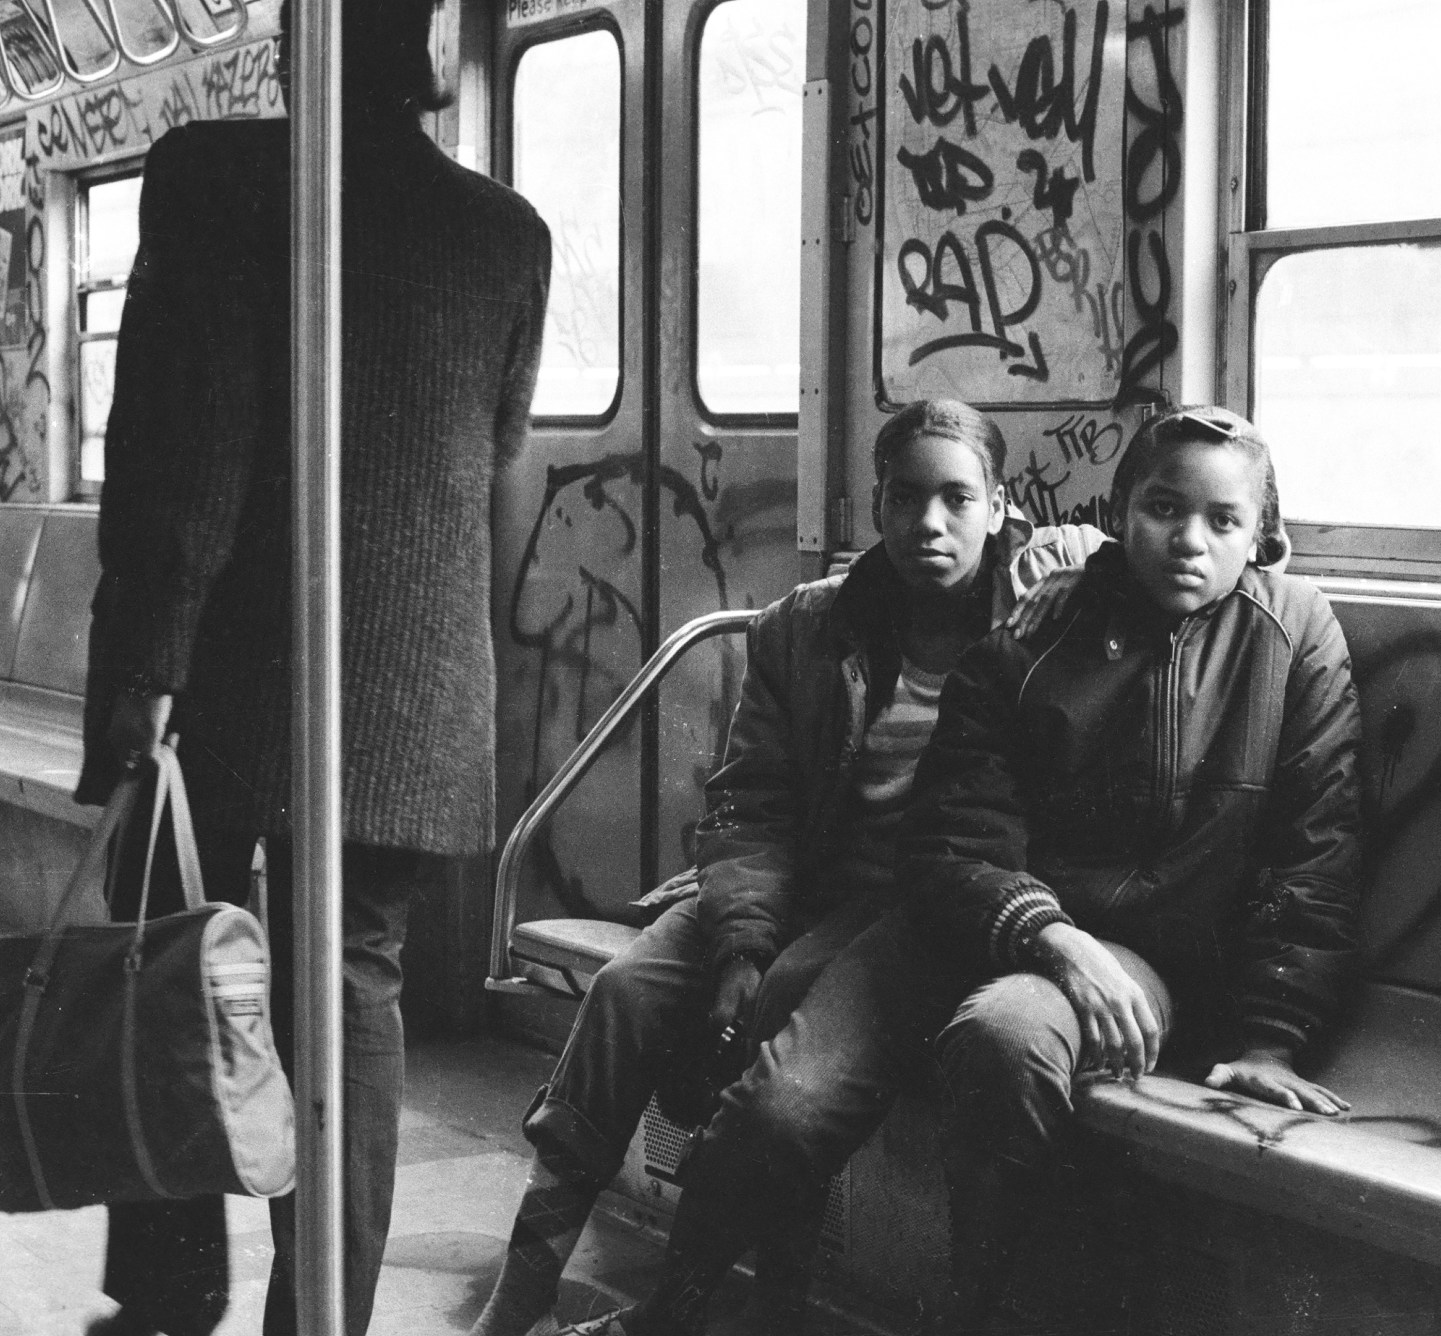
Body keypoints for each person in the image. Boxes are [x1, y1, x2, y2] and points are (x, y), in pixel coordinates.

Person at [607, 404, 1363, 1336]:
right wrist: (1050, 935)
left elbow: (1314, 849)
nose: (1190, 543)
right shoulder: (1034, 631)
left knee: (1005, 1039)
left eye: (1224, 522)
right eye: (1164, 510)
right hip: (987, 923)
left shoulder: (1292, 639)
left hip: (1137, 950)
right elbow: (954, 836)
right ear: (1121, 512)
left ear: (1263, 535)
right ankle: (670, 1318)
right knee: (782, 1106)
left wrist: (1269, 1039)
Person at [74, 0, 552, 1331]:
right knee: (353, 989)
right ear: (433, 54)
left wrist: (148, 666)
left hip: (228, 669)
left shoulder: (218, 179)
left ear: (302, 41)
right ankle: (320, 1314)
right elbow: (496, 445)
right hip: (412, 687)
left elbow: (196, 449)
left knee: (170, 959)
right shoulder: (509, 236)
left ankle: (171, 1287)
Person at [474, 400, 1102, 1336]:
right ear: (875, 507)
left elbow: (1160, 542)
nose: (929, 524)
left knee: (787, 1031)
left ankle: (762, 1303)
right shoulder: (807, 628)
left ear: (1000, 506)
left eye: (957, 499)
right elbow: (754, 807)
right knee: (629, 990)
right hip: (800, 876)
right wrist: (738, 941)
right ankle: (522, 1290)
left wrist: (1074, 551)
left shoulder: (1040, 617)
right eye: (904, 498)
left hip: (924, 899)